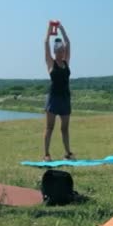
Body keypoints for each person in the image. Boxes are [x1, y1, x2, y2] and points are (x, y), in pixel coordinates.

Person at [43, 22, 74, 161]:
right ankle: (46, 154)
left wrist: (61, 28)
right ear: (55, 52)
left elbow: (68, 42)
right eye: (59, 51)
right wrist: (50, 30)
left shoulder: (66, 62)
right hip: (53, 98)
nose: (61, 53)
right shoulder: (51, 63)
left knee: (65, 128)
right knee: (49, 128)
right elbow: (45, 44)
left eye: (63, 51)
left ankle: (68, 153)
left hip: (65, 98)